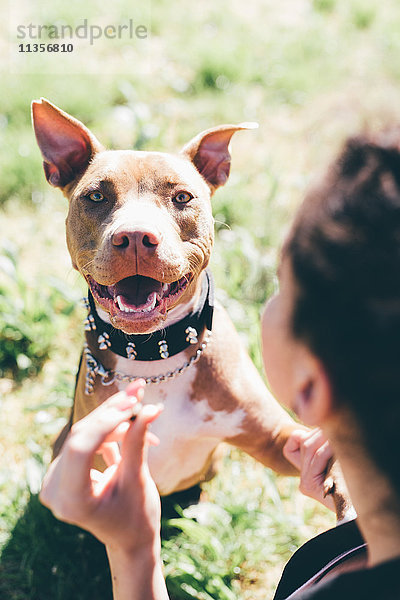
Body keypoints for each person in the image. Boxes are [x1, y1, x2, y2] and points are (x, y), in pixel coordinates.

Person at [40, 128, 400, 599]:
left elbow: (280, 442)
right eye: (96, 198)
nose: (134, 231)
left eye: (181, 198)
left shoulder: (221, 352)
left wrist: (344, 487)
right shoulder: (98, 362)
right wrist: (359, 523)